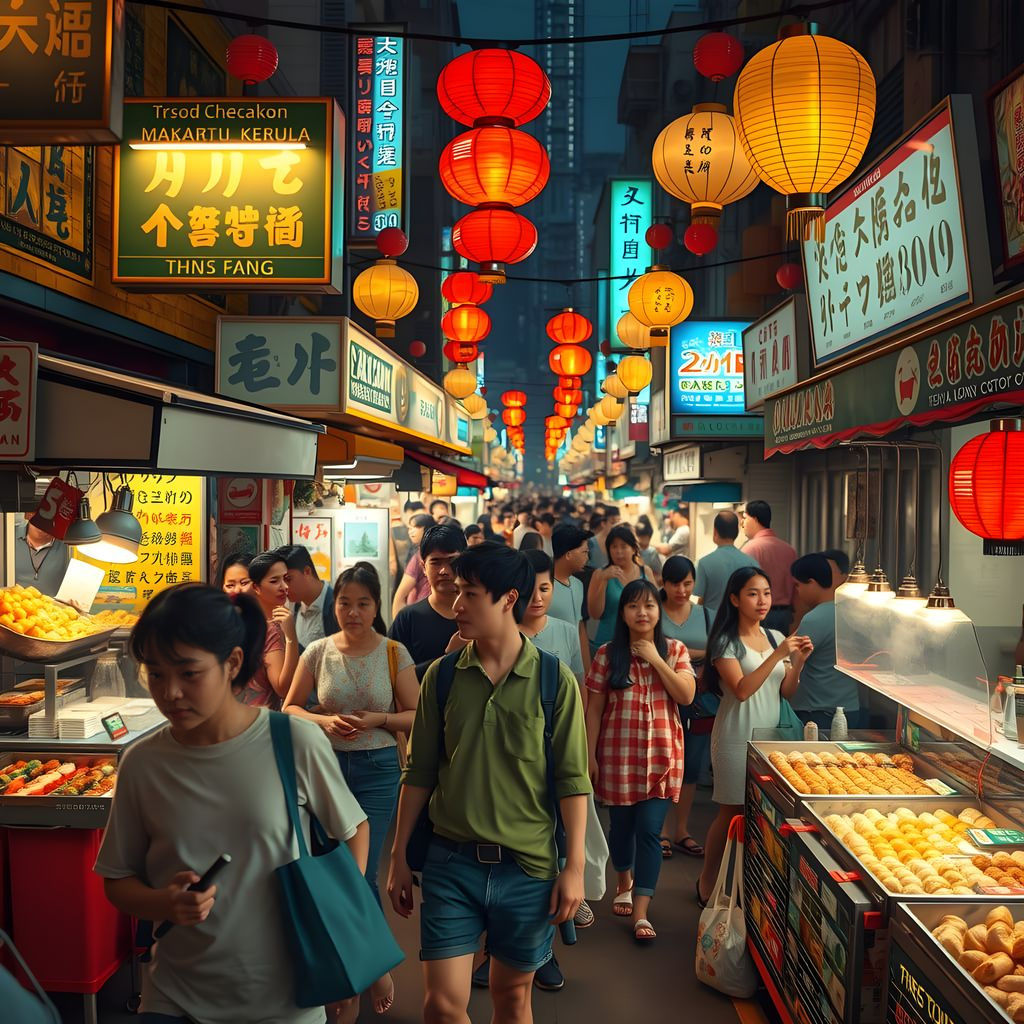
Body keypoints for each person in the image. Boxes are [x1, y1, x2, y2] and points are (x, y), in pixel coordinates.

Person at [95, 583, 370, 1024]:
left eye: (189, 674)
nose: (171, 693)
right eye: (156, 674)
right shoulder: (142, 763)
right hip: (174, 999)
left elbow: (354, 829)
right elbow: (117, 880)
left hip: (286, 1003)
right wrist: (164, 903)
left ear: (233, 663)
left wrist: (337, 921)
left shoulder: (293, 741)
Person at [387, 543, 590, 1023]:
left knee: (512, 1000)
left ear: (507, 598)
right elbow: (418, 772)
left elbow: (572, 779)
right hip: (451, 863)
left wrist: (575, 866)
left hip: (528, 867)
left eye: (470, 594)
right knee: (440, 1005)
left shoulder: (553, 681)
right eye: (457, 592)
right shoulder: (442, 677)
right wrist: (398, 856)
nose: (456, 605)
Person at [284, 562, 418, 1019]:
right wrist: (324, 720)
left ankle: (365, 969)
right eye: (345, 602)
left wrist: (379, 720)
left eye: (363, 603)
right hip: (323, 770)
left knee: (360, 875)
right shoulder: (317, 652)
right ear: (333, 604)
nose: (353, 612)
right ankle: (360, 965)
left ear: (377, 606)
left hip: (379, 770)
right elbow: (290, 709)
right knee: (328, 870)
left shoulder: (394, 653)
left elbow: (416, 714)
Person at [585, 579, 695, 942]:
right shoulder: (606, 654)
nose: (642, 612)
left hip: (662, 757)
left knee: (649, 830)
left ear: (658, 610)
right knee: (621, 829)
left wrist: (655, 659)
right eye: (633, 606)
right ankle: (623, 879)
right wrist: (590, 756)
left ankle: (642, 911)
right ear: (623, 613)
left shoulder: (675, 650)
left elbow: (686, 695)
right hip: (618, 758)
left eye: (649, 605)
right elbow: (594, 710)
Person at [696, 567, 812, 905]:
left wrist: (799, 662)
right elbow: (742, 690)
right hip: (735, 737)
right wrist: (778, 656)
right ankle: (707, 882)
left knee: (762, 814)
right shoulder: (725, 642)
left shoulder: (775, 636)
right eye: (752, 593)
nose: (762, 601)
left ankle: (747, 884)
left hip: (770, 738)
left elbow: (785, 692)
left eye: (766, 592)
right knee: (731, 812)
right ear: (734, 599)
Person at [658, 556, 716, 859]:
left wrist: (678, 650)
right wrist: (695, 654)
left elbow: (720, 650)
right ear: (663, 584)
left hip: (697, 700)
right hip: (659, 697)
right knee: (662, 762)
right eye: (675, 583)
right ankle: (661, 830)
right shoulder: (652, 610)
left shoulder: (706, 615)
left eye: (688, 583)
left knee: (691, 766)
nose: (682, 589)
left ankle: (681, 829)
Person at [788, 553, 863, 730]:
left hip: (819, 712)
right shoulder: (850, 612)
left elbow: (792, 660)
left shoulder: (814, 619)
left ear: (812, 583)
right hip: (850, 707)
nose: (797, 592)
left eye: (798, 585)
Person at [388, 523, 466, 680]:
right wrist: (448, 658)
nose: (444, 570)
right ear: (423, 567)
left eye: (451, 561)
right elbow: (392, 676)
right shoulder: (407, 618)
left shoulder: (481, 614)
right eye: (436, 562)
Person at [245, 551, 299, 710]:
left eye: (286, 579)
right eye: (275, 581)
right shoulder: (270, 630)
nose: (284, 587)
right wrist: (291, 638)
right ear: (256, 587)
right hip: (261, 723)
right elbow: (283, 688)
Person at [520, 550, 584, 682]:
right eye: (529, 589)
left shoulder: (568, 632)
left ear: (553, 588)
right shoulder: (502, 634)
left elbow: (578, 684)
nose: (537, 598)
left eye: (544, 589)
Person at [740, 500, 799, 634]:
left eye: (745, 518)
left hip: (759, 613)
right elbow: (796, 588)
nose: (742, 523)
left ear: (754, 519)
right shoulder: (789, 549)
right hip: (785, 614)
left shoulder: (750, 549)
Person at [588, 525, 648, 649]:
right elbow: (595, 614)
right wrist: (604, 580)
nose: (618, 551)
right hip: (609, 643)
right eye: (614, 546)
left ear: (633, 548)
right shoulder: (599, 574)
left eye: (624, 546)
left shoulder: (646, 572)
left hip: (641, 643)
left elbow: (655, 607)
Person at [693, 510, 760, 612]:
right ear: (736, 533)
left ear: (715, 532)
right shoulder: (752, 563)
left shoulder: (704, 563)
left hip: (713, 623)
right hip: (741, 622)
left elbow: (699, 599)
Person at [278, 544, 340, 651]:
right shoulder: (292, 605)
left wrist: (290, 638)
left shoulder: (336, 607)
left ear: (307, 571)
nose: (284, 587)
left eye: (288, 579)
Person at [550, 524, 593, 675]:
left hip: (574, 669)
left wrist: (586, 672)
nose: (587, 558)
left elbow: (580, 629)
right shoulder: (544, 587)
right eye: (584, 552)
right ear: (568, 554)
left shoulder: (578, 585)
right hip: (551, 667)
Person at [391, 513, 436, 617]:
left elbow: (400, 596)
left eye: (415, 527)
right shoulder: (418, 555)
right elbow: (400, 596)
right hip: (420, 613)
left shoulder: (423, 554)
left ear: (427, 529)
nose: (411, 531)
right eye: (409, 528)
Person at [15, 517, 69, 595]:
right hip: (10, 604)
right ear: (29, 514)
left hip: (53, 606)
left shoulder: (70, 541)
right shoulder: (7, 533)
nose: (42, 524)